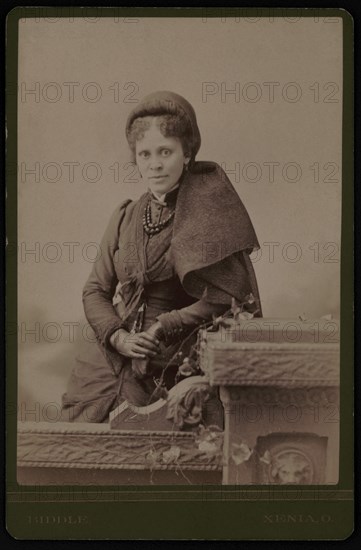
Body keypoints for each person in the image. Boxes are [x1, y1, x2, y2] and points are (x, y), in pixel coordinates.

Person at [61, 91, 262, 423]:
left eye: (165, 152)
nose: (154, 164)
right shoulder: (125, 216)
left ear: (187, 154)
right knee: (81, 440)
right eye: (145, 154)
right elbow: (94, 290)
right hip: (112, 357)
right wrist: (118, 336)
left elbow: (230, 296)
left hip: (174, 362)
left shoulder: (208, 216)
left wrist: (164, 326)